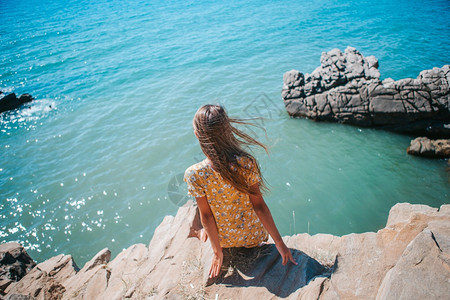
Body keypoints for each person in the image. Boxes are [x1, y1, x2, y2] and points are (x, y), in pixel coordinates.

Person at [184, 104, 297, 279]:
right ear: (227, 130)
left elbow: (206, 216)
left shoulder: (195, 174)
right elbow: (260, 207)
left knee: (200, 216)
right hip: (253, 237)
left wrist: (217, 253)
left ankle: (201, 232)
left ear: (197, 135)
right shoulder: (246, 163)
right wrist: (280, 243)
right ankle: (202, 231)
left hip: (224, 242)